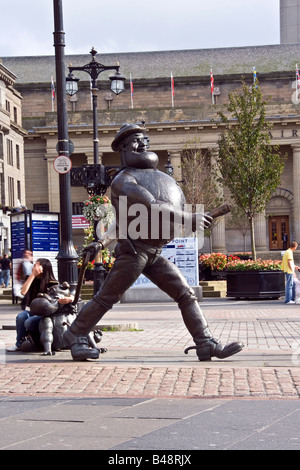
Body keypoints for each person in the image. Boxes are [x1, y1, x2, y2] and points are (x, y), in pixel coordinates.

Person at [64, 123, 244, 361]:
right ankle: (75, 334)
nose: (144, 143)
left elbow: (123, 223)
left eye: (145, 139)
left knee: (185, 294)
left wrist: (100, 243)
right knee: (107, 297)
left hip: (152, 253)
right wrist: (188, 217)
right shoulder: (123, 180)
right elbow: (152, 205)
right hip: (134, 252)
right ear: (124, 149)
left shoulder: (146, 176)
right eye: (137, 140)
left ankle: (205, 343)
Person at [7, 258, 74, 352]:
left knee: (29, 322)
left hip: (44, 314)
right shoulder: (30, 278)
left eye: (36, 265)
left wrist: (70, 298)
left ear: (43, 269)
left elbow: (70, 295)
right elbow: (23, 292)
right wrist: (33, 275)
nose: (34, 267)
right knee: (21, 317)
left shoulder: (52, 284)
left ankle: (38, 342)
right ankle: (19, 343)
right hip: (31, 310)